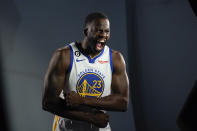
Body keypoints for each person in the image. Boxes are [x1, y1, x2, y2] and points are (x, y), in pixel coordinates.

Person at [42, 12, 129, 131]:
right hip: (68, 128)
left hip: (99, 127)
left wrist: (83, 100)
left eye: (107, 31)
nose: (103, 35)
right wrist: (90, 118)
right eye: (98, 30)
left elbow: (122, 102)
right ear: (86, 32)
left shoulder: (115, 58)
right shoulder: (64, 56)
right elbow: (48, 102)